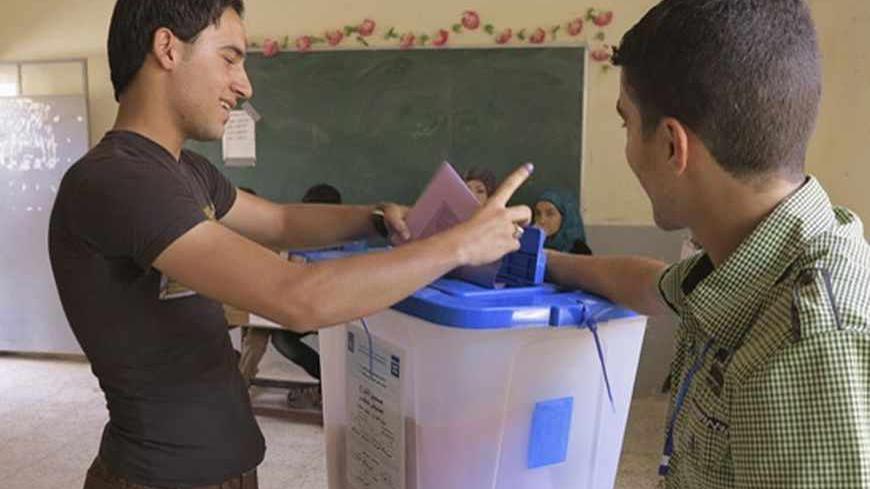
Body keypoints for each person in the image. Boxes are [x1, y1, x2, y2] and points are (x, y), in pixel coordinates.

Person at [47, 2, 532, 488]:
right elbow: (296, 297)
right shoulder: (117, 178)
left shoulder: (185, 171)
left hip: (220, 465)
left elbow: (279, 220)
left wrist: (378, 221)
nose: (244, 85)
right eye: (230, 58)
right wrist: (458, 245)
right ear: (168, 48)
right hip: (161, 476)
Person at [546, 1, 870, 488]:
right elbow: (649, 284)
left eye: (626, 124)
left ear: (673, 146)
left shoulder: (808, 342)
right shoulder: (751, 261)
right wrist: (543, 260)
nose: (628, 147)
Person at [532, 189, 592, 255]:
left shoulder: (579, 250)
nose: (541, 220)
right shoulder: (532, 244)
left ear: (565, 217)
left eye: (550, 213)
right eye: (538, 213)